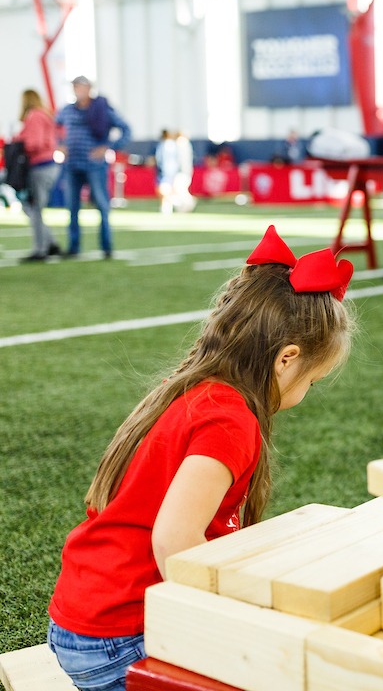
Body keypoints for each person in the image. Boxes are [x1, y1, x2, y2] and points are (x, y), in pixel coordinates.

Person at [46, 226, 355, 690]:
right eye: (312, 381)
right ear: (287, 359)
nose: (307, 392)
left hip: (86, 617)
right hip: (121, 636)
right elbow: (173, 539)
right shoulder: (230, 419)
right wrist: (224, 624)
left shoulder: (200, 391)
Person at [55, 76, 131, 258]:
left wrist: (108, 147)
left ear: (88, 88)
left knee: (102, 205)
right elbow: (55, 128)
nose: (76, 90)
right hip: (72, 165)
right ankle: (74, 247)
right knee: (72, 207)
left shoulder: (101, 109)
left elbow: (126, 129)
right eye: (74, 87)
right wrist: (60, 145)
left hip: (94, 166)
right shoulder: (67, 110)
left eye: (79, 87)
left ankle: (106, 246)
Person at [14, 88, 63, 261]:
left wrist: (18, 142)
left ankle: (40, 249)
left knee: (34, 208)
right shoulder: (45, 114)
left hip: (40, 166)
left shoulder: (34, 116)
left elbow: (35, 143)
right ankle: (51, 243)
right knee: (35, 208)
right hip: (48, 165)